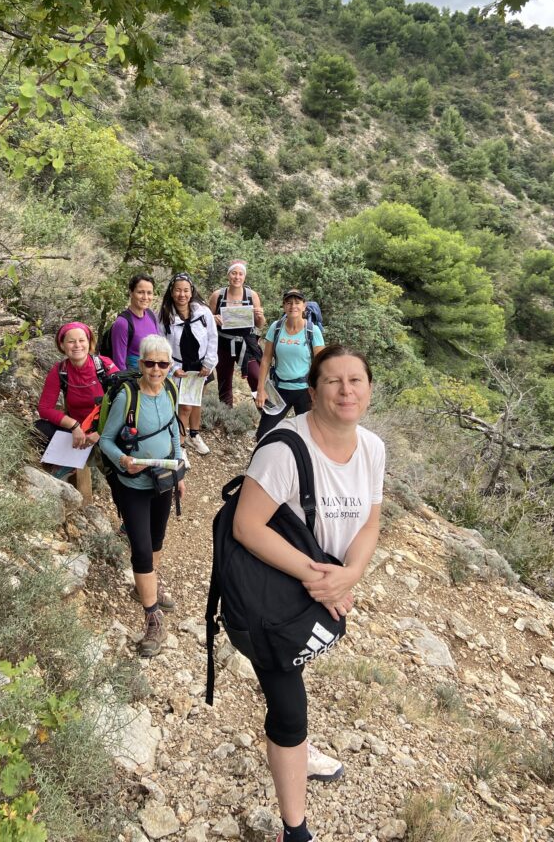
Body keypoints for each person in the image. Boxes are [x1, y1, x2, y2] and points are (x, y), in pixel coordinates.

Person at [233, 345, 385, 842]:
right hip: (272, 596)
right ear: (313, 390)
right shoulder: (283, 448)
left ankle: (296, 749)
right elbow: (247, 526)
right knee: (289, 707)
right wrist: (322, 578)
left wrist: (350, 575)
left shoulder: (373, 448)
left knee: (295, 677)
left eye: (356, 380)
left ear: (368, 388)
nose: (346, 391)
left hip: (319, 590)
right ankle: (293, 830)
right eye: (334, 381)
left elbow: (371, 520)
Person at [99, 334, 185, 657]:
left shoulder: (171, 390)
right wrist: (123, 460)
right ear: (140, 363)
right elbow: (105, 440)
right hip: (133, 485)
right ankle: (152, 615)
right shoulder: (127, 396)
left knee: (158, 539)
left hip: (162, 479)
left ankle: (147, 586)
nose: (156, 369)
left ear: (169, 365)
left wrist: (179, 469)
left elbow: (174, 429)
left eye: (163, 364)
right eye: (150, 363)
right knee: (142, 547)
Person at [159, 272, 218, 463]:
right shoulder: (165, 316)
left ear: (192, 291)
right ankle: (181, 445)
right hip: (179, 368)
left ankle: (194, 435)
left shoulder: (203, 312)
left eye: (186, 290)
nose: (182, 294)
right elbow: (163, 345)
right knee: (184, 406)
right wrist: (172, 368)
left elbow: (212, 337)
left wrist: (209, 363)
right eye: (178, 290)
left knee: (196, 401)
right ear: (171, 291)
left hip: (201, 366)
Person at [36, 321, 119, 448]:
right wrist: (73, 425)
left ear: (89, 342)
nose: (77, 345)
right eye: (71, 342)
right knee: (39, 428)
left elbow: (123, 404)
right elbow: (44, 409)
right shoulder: (60, 371)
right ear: (62, 345)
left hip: (105, 428)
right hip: (77, 430)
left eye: (82, 340)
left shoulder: (104, 365)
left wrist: (100, 432)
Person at [255, 290, 324, 441]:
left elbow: (321, 365)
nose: (293, 306)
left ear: (304, 306)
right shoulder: (276, 327)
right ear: (284, 306)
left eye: (297, 303)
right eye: (289, 302)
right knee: (263, 434)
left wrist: (320, 393)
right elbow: (266, 359)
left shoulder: (312, 331)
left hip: (305, 391)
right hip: (279, 390)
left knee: (308, 437)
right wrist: (261, 389)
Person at [208, 260, 265, 407]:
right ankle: (226, 413)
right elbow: (207, 322)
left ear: (244, 277)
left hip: (247, 344)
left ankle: (264, 410)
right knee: (224, 380)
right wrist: (213, 318)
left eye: (240, 274)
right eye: (234, 273)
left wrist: (260, 316)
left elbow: (260, 324)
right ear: (228, 275)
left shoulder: (252, 295)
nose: (237, 277)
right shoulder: (217, 296)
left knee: (255, 376)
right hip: (224, 344)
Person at [110, 273, 162, 371]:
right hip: (135, 379)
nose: (145, 297)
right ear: (131, 293)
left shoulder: (152, 316)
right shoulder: (122, 323)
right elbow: (119, 363)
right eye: (140, 292)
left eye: (149, 293)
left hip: (154, 374)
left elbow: (158, 348)